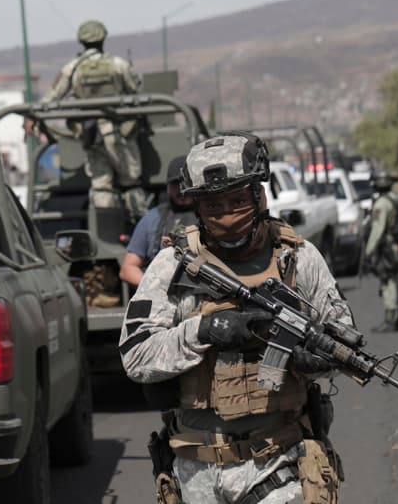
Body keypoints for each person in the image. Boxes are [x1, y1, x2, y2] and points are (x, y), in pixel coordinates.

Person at [120, 132, 351, 504]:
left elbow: (342, 337)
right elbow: (136, 357)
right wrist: (206, 329)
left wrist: (315, 360)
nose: (226, 214)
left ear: (260, 195)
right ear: (197, 207)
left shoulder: (299, 258)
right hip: (196, 471)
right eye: (213, 205)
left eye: (237, 200)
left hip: (279, 463)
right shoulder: (172, 265)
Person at [35, 19, 147, 221]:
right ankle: (140, 226)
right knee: (131, 182)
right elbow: (137, 94)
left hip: (90, 134)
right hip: (120, 133)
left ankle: (106, 229)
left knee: (101, 184)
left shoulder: (72, 68)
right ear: (103, 38)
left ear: (81, 41)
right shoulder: (118, 64)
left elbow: (51, 98)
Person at [120, 155, 194, 286]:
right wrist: (154, 288)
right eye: (176, 184)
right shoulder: (152, 218)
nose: (182, 189)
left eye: (186, 183)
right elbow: (128, 268)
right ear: (167, 187)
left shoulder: (212, 216)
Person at [364, 170, 398, 332]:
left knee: (387, 280)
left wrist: (368, 252)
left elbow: (377, 230)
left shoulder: (382, 204)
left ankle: (390, 319)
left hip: (387, 248)